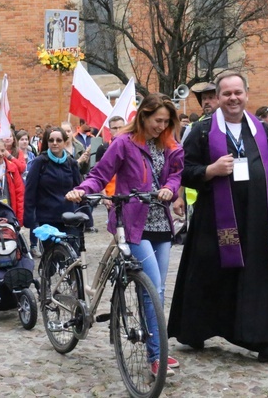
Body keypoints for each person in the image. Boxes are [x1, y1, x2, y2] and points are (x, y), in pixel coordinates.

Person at [168, 71, 268, 370]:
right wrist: (210, 170)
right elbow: (182, 171)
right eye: (226, 93)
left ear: (246, 94)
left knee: (263, 276)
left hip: (259, 220)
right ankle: (197, 328)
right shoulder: (202, 131)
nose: (233, 98)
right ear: (217, 97)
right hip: (216, 220)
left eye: (237, 92)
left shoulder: (262, 130)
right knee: (209, 274)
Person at [67, 93, 184, 377]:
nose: (161, 126)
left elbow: (177, 173)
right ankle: (156, 355)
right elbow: (100, 173)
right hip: (133, 222)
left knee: (157, 290)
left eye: (166, 121)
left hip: (161, 224)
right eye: (158, 120)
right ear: (143, 115)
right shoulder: (123, 143)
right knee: (152, 287)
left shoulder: (169, 144)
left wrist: (170, 186)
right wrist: (84, 189)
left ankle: (156, 348)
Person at [24, 126, 82, 256]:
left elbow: (79, 189)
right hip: (47, 218)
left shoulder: (71, 163)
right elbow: (30, 191)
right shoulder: (40, 162)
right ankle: (47, 275)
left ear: (64, 142)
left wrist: (85, 212)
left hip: (69, 217)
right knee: (52, 255)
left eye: (58, 140)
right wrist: (29, 217)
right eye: (51, 140)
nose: (55, 143)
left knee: (73, 255)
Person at [0, 138, 25, 219]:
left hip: (9, 212)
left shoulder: (12, 168)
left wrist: (19, 218)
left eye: (2, 150)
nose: (0, 154)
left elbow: (19, 193)